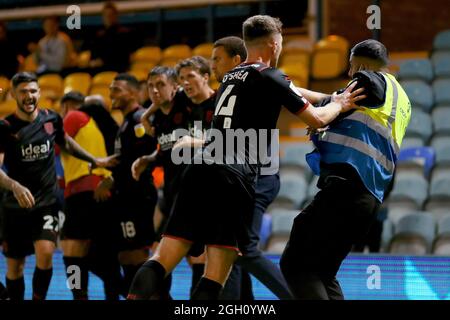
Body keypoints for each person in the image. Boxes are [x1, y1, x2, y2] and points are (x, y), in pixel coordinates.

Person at [127, 15, 364, 300]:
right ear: (274, 44)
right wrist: (338, 103)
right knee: (215, 272)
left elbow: (290, 90)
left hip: (198, 169)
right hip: (232, 177)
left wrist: (327, 96)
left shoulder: (230, 78)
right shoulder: (270, 77)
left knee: (162, 258)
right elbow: (316, 119)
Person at [279, 39, 411, 299]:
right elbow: (328, 100)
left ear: (361, 64)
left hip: (346, 189)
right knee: (323, 273)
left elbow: (333, 105)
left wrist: (324, 117)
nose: (350, 74)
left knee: (296, 266)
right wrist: (287, 87)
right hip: (367, 199)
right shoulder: (400, 97)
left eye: (351, 67)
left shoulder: (367, 80)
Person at [0, 72, 109, 300]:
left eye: (33, 91)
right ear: (13, 95)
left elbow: (66, 142)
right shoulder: (5, 127)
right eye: (23, 92)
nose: (29, 96)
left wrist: (93, 160)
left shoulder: (52, 119)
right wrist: (15, 186)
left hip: (46, 202)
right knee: (15, 267)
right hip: (14, 205)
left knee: (46, 252)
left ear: (39, 92)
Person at [210, 36, 292, 300]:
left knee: (243, 249)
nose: (213, 66)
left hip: (258, 176)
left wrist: (332, 101)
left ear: (236, 60)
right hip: (236, 177)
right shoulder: (227, 90)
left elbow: (297, 92)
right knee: (229, 249)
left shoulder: (260, 80)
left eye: (216, 59)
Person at [133, 57, 217, 298]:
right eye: (150, 86)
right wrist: (148, 158)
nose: (155, 90)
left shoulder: (186, 104)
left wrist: (143, 115)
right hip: (170, 192)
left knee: (195, 257)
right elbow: (166, 150)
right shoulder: (159, 119)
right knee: (161, 255)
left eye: (160, 84)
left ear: (175, 87)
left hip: (195, 192)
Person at [95, 73, 158, 293]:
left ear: (133, 93)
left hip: (137, 197)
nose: (111, 94)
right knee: (124, 255)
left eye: (117, 89)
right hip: (126, 197)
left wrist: (112, 177)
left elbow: (143, 159)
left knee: (136, 255)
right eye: (110, 89)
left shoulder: (140, 119)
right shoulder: (125, 123)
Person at [58, 91, 123, 300]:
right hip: (104, 192)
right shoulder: (100, 126)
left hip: (82, 193)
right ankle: (123, 291)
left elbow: (58, 145)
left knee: (71, 251)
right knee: (105, 255)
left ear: (67, 105)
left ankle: (79, 296)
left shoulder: (74, 116)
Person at [88, 2, 134, 72]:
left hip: (116, 68)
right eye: (106, 15)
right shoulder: (99, 35)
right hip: (99, 68)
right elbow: (93, 54)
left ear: (116, 16)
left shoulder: (124, 34)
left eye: (110, 15)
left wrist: (103, 61)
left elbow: (123, 56)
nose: (108, 18)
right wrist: (93, 62)